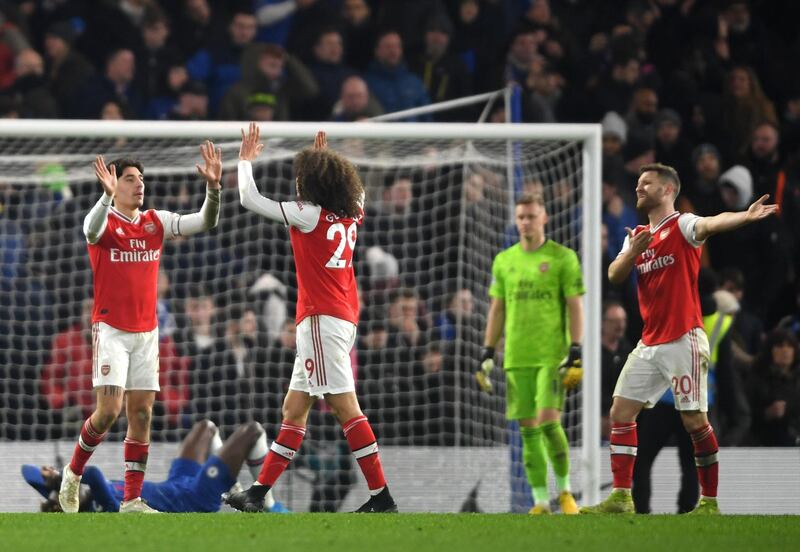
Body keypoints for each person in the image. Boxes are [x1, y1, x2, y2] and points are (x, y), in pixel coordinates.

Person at [581, 162, 778, 515]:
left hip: (683, 338)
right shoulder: (637, 234)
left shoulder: (682, 225)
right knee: (620, 411)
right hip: (650, 343)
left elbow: (711, 223)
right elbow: (613, 274)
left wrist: (744, 217)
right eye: (639, 183)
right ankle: (622, 498)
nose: (639, 188)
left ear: (668, 190)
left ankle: (710, 501)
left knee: (694, 422)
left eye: (647, 183)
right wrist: (632, 251)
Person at [224, 123, 396, 513]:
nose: (297, 183)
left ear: (313, 185)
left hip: (321, 320)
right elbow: (360, 191)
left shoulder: (308, 215)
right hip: (342, 318)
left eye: (302, 177)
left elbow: (251, 199)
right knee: (294, 408)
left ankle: (381, 496)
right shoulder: (352, 214)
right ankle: (257, 493)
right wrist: (326, 160)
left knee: (344, 407)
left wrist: (245, 161)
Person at [58, 142, 223, 514]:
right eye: (130, 179)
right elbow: (90, 228)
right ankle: (73, 473)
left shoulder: (155, 221)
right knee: (107, 411)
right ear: (114, 186)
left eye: (141, 179)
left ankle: (131, 500)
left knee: (143, 413)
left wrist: (213, 189)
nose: (138, 184)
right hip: (111, 329)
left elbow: (205, 221)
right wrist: (104, 197)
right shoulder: (103, 222)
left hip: (147, 333)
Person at [476, 193, 584, 515]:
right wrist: (487, 351)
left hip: (551, 355)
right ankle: (539, 501)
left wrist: (575, 350)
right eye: (521, 217)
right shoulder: (504, 260)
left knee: (550, 424)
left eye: (531, 216)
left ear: (544, 218)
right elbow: (497, 309)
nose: (525, 222)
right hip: (516, 357)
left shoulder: (563, 258)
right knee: (527, 430)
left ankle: (565, 492)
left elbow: (574, 306)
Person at [25, 420, 286, 513]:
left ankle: (233, 484)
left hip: (175, 484)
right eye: (67, 494)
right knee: (253, 431)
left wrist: (53, 481)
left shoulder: (92, 494)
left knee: (205, 427)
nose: (73, 489)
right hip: (192, 498)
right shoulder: (102, 506)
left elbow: (87, 479)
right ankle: (269, 504)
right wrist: (61, 477)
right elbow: (91, 473)